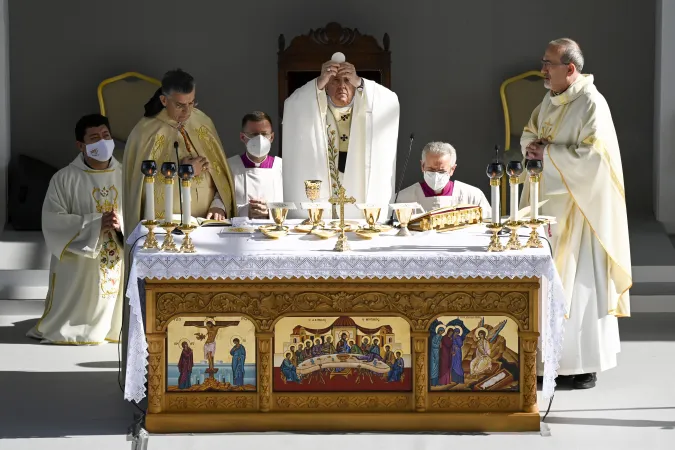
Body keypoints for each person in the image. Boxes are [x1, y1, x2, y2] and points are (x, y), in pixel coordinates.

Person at [520, 38, 631, 389]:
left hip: (579, 210)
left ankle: (580, 366)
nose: (543, 70)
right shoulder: (550, 99)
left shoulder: (592, 104)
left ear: (570, 69)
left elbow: (595, 160)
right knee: (545, 286)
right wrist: (533, 148)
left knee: (577, 289)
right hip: (545, 207)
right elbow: (530, 133)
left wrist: (547, 154)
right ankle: (543, 363)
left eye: (548, 64)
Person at [27, 114, 123, 345]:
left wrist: (122, 222)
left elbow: (140, 211)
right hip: (79, 265)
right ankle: (74, 328)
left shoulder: (125, 175)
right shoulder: (64, 179)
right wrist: (95, 223)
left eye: (106, 135)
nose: (102, 141)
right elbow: (53, 221)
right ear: (81, 145)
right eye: (94, 137)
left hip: (115, 255)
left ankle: (114, 328)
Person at [123, 68, 235, 239]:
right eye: (180, 105)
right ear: (163, 100)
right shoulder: (145, 133)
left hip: (206, 225)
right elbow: (143, 190)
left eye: (192, 103)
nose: (187, 112)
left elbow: (221, 175)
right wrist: (186, 172)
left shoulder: (202, 122)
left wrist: (218, 204)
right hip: (166, 230)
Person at [282, 58, 400, 219]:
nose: (342, 86)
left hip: (359, 182)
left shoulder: (368, 107)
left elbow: (391, 101)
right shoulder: (314, 108)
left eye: (347, 80)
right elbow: (292, 105)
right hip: (327, 182)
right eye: (335, 81)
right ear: (326, 87)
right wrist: (318, 82)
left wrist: (360, 81)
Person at [397, 142, 491, 216]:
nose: (436, 176)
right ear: (422, 166)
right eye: (431, 170)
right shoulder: (403, 198)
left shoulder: (472, 196)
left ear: (452, 169)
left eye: (441, 171)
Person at [227, 111, 283, 219]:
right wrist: (246, 211)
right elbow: (222, 201)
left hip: (273, 231)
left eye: (264, 134)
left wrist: (270, 211)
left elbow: (290, 203)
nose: (260, 139)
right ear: (243, 137)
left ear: (271, 137)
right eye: (254, 135)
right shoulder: (230, 166)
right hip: (240, 231)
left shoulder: (282, 166)